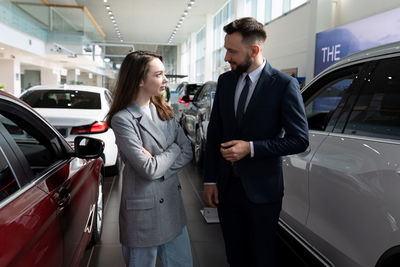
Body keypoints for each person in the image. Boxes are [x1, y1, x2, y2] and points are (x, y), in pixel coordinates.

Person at [203, 17, 309, 267]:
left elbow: (299, 140)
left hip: (263, 192)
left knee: (262, 257)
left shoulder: (284, 85)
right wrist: (209, 179)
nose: (226, 57)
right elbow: (215, 132)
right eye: (226, 50)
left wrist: (251, 148)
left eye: (232, 51)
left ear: (254, 50)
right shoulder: (226, 82)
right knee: (234, 255)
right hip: (227, 189)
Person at [106, 51, 193, 267]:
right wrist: (172, 150)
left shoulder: (165, 110)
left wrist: (159, 164)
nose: (165, 80)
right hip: (142, 214)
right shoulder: (123, 119)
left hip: (172, 207)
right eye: (159, 74)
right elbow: (148, 169)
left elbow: (188, 150)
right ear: (139, 80)